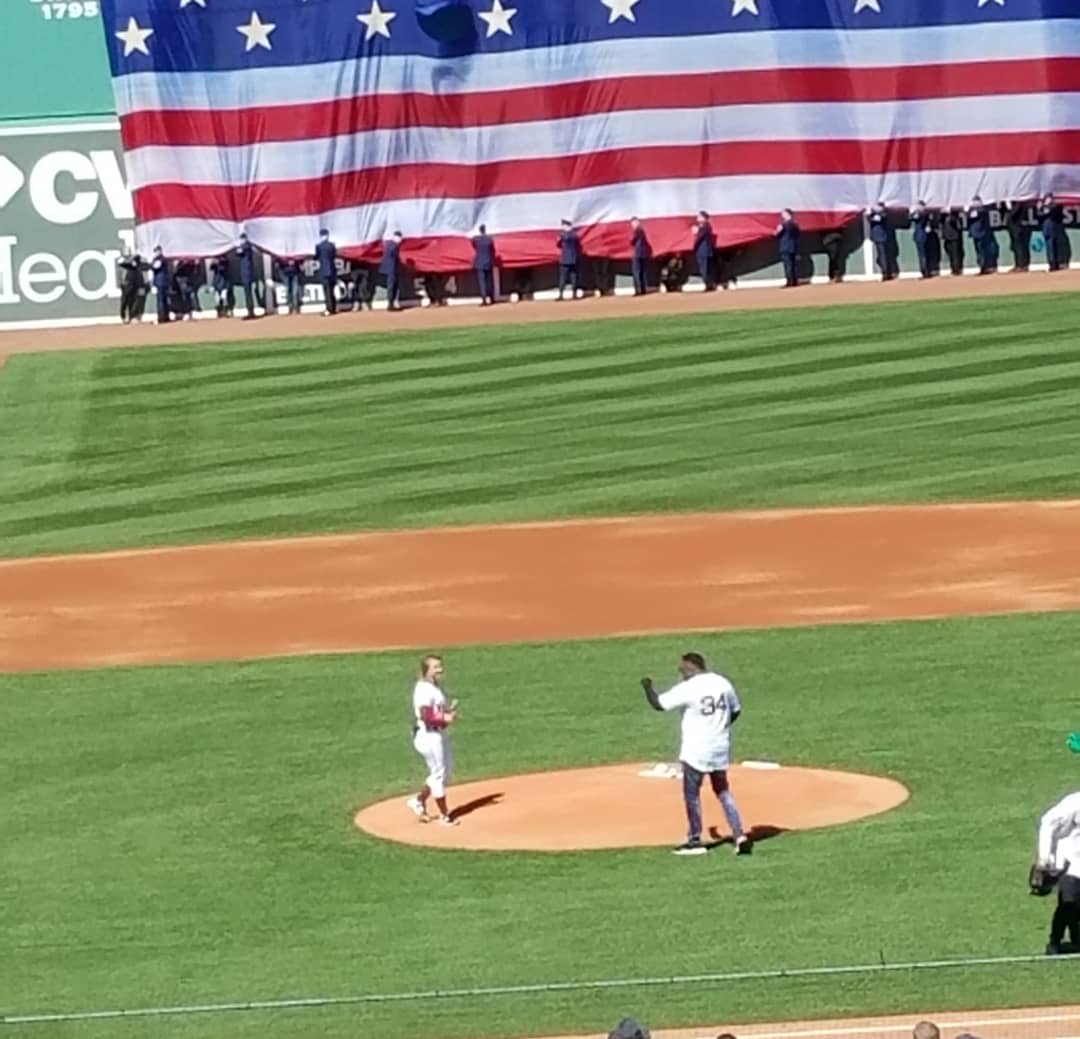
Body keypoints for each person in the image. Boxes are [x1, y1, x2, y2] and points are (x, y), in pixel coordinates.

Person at [639, 652, 750, 857]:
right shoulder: (722, 682)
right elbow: (735, 710)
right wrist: (720, 727)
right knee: (723, 792)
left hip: (696, 751)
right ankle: (739, 834)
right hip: (720, 747)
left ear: (690, 668)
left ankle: (695, 840)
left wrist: (647, 687)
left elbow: (659, 704)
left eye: (682, 670)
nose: (681, 674)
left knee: (692, 795)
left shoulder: (689, 688)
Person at [406, 655, 459, 826]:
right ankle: (445, 816)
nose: (440, 669)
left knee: (447, 770)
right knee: (438, 774)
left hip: (438, 733)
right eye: (435, 667)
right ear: (426, 670)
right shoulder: (422, 689)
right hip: (428, 736)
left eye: (440, 666)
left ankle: (418, 801)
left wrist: (447, 714)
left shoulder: (434, 686)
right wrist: (445, 717)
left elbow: (436, 711)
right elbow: (425, 716)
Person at [1035, 789, 1080, 955]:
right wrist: (1044, 860)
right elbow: (1048, 822)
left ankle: (1076, 940)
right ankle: (1055, 941)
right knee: (1069, 901)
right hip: (1070, 860)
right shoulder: (1076, 803)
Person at [910, 201, 939, 279]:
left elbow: (914, 218)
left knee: (922, 255)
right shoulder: (926, 214)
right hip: (922, 236)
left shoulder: (921, 214)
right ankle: (926, 270)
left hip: (921, 236)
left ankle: (925, 271)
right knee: (924, 254)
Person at [1000, 200, 1032, 272]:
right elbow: (1003, 210)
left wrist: (1010, 215)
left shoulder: (1018, 199)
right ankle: (1018, 264)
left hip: (1019, 223)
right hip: (1011, 225)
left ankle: (1022, 265)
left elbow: (1017, 209)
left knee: (1020, 244)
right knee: (1015, 245)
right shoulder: (1005, 200)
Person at [867, 203, 896, 280]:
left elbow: (873, 219)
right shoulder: (878, 215)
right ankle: (886, 272)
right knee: (882, 255)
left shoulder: (881, 215)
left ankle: (885, 273)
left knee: (882, 255)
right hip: (881, 236)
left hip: (881, 236)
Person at [117, 247, 145, 324]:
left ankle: (131, 316)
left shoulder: (133, 261)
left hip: (133, 284)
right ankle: (123, 316)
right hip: (125, 284)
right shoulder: (121, 260)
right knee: (124, 301)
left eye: (128, 251)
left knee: (132, 301)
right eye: (126, 251)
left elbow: (136, 265)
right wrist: (132, 260)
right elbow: (123, 263)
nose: (127, 253)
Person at [966, 196, 994, 275]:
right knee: (979, 250)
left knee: (982, 250)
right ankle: (983, 266)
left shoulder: (981, 210)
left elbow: (973, 216)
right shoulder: (976, 210)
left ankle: (984, 267)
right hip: (976, 233)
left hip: (980, 233)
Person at [1039, 193, 1067, 271]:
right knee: (1049, 246)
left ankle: (1054, 263)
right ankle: (1052, 263)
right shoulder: (1045, 206)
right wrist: (1040, 208)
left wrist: (1043, 206)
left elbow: (1049, 212)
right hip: (1047, 229)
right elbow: (1040, 215)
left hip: (1053, 229)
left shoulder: (1055, 206)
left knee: (1053, 246)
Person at [472, 224, 496, 305]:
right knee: (489, 281)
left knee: (482, 282)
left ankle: (484, 299)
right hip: (488, 261)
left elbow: (473, 244)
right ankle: (492, 298)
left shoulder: (476, 239)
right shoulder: (489, 239)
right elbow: (493, 250)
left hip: (480, 262)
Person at [236, 232, 258, 318]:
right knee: (247, 292)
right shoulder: (247, 246)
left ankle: (250, 311)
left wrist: (238, 247)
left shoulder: (246, 246)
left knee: (248, 293)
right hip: (246, 271)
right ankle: (250, 310)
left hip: (247, 272)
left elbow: (238, 252)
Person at [315, 228, 338, 315]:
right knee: (331, 290)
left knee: (327, 291)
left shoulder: (319, 246)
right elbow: (334, 255)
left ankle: (329, 309)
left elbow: (316, 256)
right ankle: (333, 308)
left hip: (324, 271)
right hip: (332, 270)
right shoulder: (332, 245)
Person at [775, 208, 800, 287]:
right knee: (792, 264)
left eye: (783, 214)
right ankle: (794, 281)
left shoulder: (783, 225)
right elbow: (797, 235)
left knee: (787, 265)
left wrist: (777, 231)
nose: (782, 215)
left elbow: (777, 235)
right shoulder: (795, 224)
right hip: (793, 246)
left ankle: (790, 281)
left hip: (785, 246)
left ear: (787, 214)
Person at [557, 219, 580, 300]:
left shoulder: (562, 235)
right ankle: (574, 294)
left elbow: (558, 244)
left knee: (563, 277)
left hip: (565, 259)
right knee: (573, 277)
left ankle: (561, 295)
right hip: (573, 258)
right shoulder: (575, 235)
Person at [692, 211, 716, 290]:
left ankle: (709, 284)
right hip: (702, 251)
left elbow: (700, 236)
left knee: (704, 269)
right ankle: (708, 284)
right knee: (704, 268)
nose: (697, 218)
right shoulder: (703, 226)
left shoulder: (706, 226)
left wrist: (697, 231)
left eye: (699, 216)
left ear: (703, 218)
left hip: (704, 251)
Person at [381, 230, 404, 310]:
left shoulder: (394, 245)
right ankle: (390, 304)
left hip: (394, 269)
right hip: (391, 269)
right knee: (391, 286)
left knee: (395, 286)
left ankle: (393, 303)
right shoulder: (391, 244)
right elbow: (391, 253)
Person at [150, 245, 171, 324]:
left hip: (160, 282)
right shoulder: (163, 259)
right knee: (164, 300)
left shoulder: (159, 259)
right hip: (163, 281)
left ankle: (161, 318)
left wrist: (150, 264)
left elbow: (155, 267)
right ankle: (165, 317)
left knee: (161, 301)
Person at [630, 217, 651, 296]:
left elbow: (633, 241)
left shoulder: (637, 231)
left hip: (637, 254)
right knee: (642, 272)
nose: (633, 225)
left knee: (637, 272)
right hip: (643, 254)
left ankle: (638, 290)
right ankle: (643, 289)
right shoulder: (642, 231)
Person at [942, 207, 965, 275]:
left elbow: (956, 221)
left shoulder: (955, 212)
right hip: (947, 235)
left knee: (956, 253)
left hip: (955, 235)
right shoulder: (943, 214)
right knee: (949, 251)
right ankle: (954, 268)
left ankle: (957, 269)